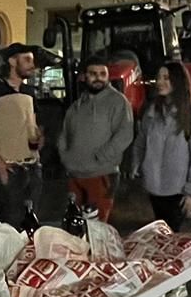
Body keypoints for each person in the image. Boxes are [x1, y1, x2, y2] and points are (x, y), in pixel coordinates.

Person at [132, 60, 191, 297]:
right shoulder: (152, 111)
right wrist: (136, 165)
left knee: (173, 239)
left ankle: (172, 285)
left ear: (178, 81)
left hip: (178, 188)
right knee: (161, 238)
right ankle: (169, 283)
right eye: (159, 77)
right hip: (155, 186)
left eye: (167, 77)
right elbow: (141, 141)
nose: (161, 82)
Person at [0, 42, 43, 226]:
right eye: (26, 59)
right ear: (12, 61)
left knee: (31, 223)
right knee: (10, 226)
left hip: (31, 166)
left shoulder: (30, 92)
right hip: (9, 168)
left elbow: (32, 126)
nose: (31, 65)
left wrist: (37, 141)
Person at [57, 54, 134, 223]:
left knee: (97, 229)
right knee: (74, 226)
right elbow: (64, 134)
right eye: (93, 73)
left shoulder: (117, 102)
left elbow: (125, 134)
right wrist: (66, 157)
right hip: (75, 175)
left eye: (102, 74)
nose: (98, 78)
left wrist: (103, 156)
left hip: (102, 175)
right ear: (85, 77)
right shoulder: (76, 106)